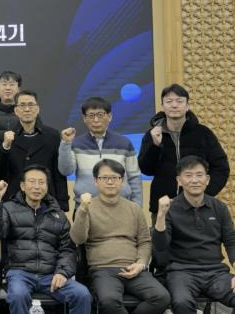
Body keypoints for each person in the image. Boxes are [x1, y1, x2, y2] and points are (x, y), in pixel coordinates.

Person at [0, 165, 91, 314]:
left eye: (41, 182)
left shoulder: (58, 215)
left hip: (51, 274)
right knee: (18, 295)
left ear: (47, 187)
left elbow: (68, 249)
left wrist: (62, 272)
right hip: (19, 272)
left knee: (82, 294)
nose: (37, 187)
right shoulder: (8, 209)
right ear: (22, 186)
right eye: (32, 181)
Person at [70, 159, 170, 314]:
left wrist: (141, 263)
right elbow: (78, 239)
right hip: (102, 270)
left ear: (122, 181)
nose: (110, 182)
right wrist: (82, 209)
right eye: (104, 178)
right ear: (95, 181)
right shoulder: (87, 208)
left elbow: (144, 241)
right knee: (109, 301)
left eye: (115, 178)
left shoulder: (134, 209)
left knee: (161, 297)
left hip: (134, 268)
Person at [153, 156, 235, 314]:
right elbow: (160, 246)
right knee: (181, 302)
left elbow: (231, 241)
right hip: (181, 272)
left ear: (207, 179)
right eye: (188, 175)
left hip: (216, 272)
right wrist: (161, 216)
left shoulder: (219, 207)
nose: (195, 180)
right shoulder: (170, 208)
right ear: (179, 180)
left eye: (199, 175)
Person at [138, 83, 229, 215]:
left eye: (179, 101)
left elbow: (221, 168)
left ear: (187, 106)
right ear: (162, 106)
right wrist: (155, 146)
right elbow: (146, 169)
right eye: (169, 101)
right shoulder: (152, 134)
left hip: (198, 207)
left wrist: (203, 194)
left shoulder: (203, 133)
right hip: (164, 207)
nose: (174, 105)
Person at [59, 96, 142, 208]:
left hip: (121, 207)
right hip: (85, 207)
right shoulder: (76, 143)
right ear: (84, 118)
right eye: (91, 116)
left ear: (109, 116)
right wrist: (66, 143)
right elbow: (65, 171)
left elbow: (134, 177)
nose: (96, 120)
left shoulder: (124, 143)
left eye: (100, 115)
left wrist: (137, 207)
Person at [0, 90, 69, 211]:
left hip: (46, 201)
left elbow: (58, 174)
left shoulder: (52, 136)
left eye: (31, 105)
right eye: (22, 105)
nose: (27, 109)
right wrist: (5, 147)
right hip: (15, 202)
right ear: (16, 110)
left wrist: (62, 204)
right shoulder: (5, 137)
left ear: (38, 109)